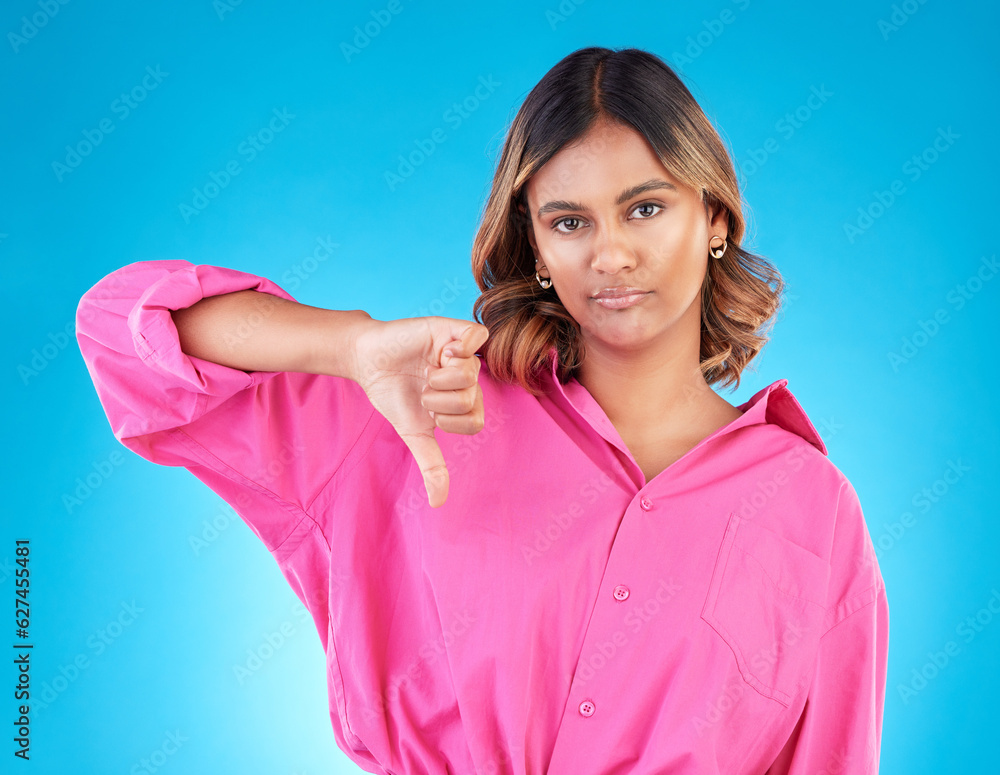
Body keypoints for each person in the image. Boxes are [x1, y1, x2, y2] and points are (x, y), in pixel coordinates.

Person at [76, 46, 888, 775]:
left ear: (713, 218)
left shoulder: (813, 514)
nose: (610, 255)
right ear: (535, 247)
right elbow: (124, 331)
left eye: (646, 207)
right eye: (569, 222)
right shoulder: (426, 409)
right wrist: (348, 347)